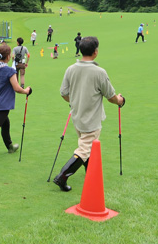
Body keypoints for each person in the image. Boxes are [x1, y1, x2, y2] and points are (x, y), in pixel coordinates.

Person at [53, 36, 125, 192]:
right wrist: (120, 100)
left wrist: (74, 102)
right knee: (84, 150)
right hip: (91, 119)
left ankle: (90, 173)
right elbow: (111, 97)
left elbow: (63, 93)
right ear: (95, 52)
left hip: (77, 115)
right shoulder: (99, 72)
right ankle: (62, 176)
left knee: (88, 146)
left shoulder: (70, 68)